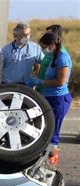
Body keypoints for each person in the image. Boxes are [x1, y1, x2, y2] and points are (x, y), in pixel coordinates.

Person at [26, 32, 72, 166]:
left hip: (58, 98)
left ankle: (51, 161)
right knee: (45, 128)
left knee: (54, 131)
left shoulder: (63, 57)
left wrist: (39, 81)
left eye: (44, 47)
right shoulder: (52, 55)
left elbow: (61, 81)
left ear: (52, 44)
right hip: (48, 96)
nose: (43, 50)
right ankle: (43, 158)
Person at [35, 24, 68, 94]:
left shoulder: (62, 56)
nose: (45, 37)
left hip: (54, 93)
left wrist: (40, 81)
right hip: (42, 90)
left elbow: (61, 81)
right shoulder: (49, 52)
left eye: (48, 34)